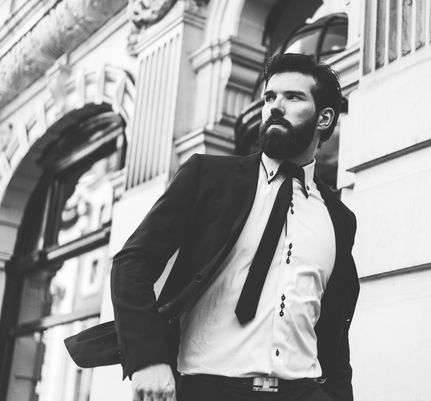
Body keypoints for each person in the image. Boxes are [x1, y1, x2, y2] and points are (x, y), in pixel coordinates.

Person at [111, 53, 360, 401]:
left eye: (293, 97)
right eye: (269, 97)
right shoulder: (209, 177)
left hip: (303, 390)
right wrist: (147, 359)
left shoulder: (339, 218)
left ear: (325, 118)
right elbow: (132, 262)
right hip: (209, 389)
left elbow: (335, 327)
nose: (275, 107)